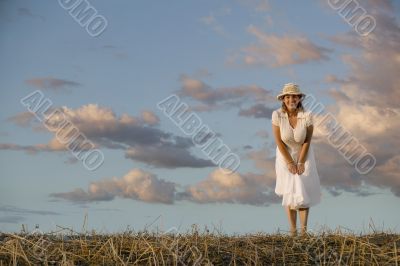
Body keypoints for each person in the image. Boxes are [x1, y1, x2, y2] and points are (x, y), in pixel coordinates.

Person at [271, 83, 321, 237]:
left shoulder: (307, 115)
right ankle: (293, 231)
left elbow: (307, 140)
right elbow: (279, 141)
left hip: (304, 154)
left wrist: (300, 162)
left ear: (299, 98)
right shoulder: (277, 115)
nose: (290, 99)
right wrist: (289, 162)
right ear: (283, 99)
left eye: (294, 96)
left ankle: (304, 232)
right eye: (287, 96)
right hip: (284, 154)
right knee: (290, 190)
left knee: (303, 188)